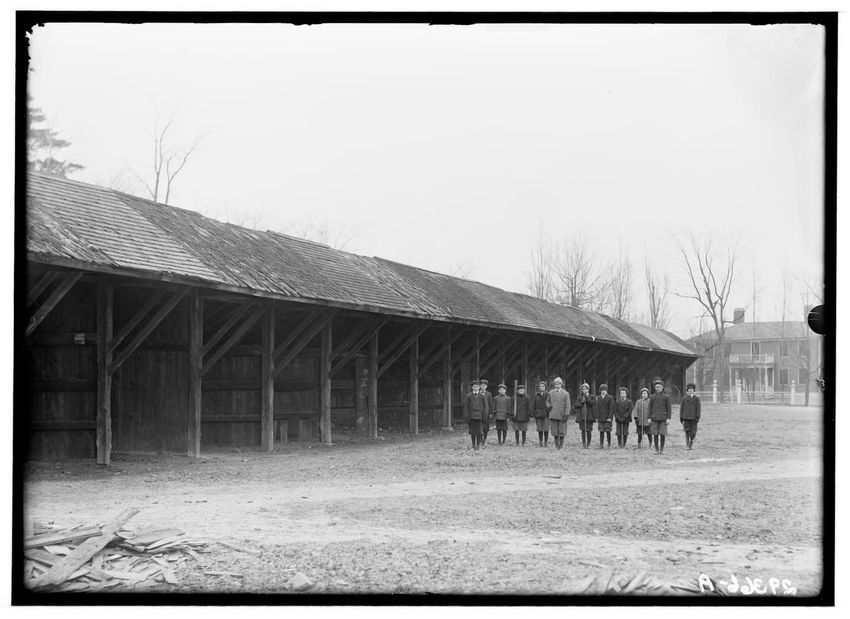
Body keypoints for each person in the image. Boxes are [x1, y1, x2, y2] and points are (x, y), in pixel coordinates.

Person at [546, 377, 571, 450]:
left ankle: (561, 445)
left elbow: (568, 405)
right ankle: (556, 445)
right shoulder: (551, 392)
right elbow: (547, 401)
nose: (557, 385)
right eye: (556, 384)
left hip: (562, 415)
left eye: (558, 384)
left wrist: (566, 414)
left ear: (561, 385)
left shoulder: (565, 393)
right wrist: (549, 406)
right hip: (553, 415)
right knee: (555, 431)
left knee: (562, 431)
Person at [649, 377, 672, 454]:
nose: (658, 388)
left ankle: (662, 449)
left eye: (659, 387)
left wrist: (668, 418)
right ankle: (656, 449)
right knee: (655, 434)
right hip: (654, 418)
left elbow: (669, 408)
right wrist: (649, 417)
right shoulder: (652, 397)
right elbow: (650, 408)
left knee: (662, 434)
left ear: (662, 388)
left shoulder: (666, 397)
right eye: (657, 387)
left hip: (663, 418)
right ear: (655, 388)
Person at [463, 380, 487, 452]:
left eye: (477, 386)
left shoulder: (482, 396)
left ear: (479, 387)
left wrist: (484, 415)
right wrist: (467, 416)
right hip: (472, 416)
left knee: (479, 432)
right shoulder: (468, 396)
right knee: (473, 432)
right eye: (474, 386)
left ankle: (478, 445)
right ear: (472, 387)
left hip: (480, 417)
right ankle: (473, 445)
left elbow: (485, 406)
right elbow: (466, 407)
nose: (476, 388)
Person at [574, 382, 596, 448]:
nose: (584, 390)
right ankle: (584, 443)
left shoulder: (592, 396)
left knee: (589, 430)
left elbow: (592, 403)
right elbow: (575, 405)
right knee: (583, 430)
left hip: (589, 417)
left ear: (588, 389)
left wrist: (587, 399)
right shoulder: (580, 397)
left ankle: (588, 443)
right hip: (582, 417)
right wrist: (581, 402)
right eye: (583, 389)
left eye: (586, 389)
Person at [680, 382, 701, 450]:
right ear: (687, 390)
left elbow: (698, 408)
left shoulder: (696, 399)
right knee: (687, 431)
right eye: (689, 390)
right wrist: (681, 417)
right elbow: (681, 408)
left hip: (694, 418)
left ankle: (691, 443)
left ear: (694, 390)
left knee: (693, 432)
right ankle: (687, 444)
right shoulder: (684, 399)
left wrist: (697, 416)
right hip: (686, 418)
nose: (690, 391)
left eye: (691, 390)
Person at [595, 384, 615, 449]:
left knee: (608, 431)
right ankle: (601, 444)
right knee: (601, 431)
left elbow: (612, 408)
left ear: (606, 390)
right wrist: (596, 417)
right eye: (602, 390)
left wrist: (610, 417)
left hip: (607, 418)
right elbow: (596, 408)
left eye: (604, 390)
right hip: (600, 417)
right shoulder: (598, 398)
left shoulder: (610, 398)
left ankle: (609, 444)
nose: (603, 391)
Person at [533, 381, 550, 447]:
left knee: (546, 429)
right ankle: (540, 441)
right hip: (538, 414)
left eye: (543, 386)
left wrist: (548, 412)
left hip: (546, 414)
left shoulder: (548, 395)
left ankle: (546, 442)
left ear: (545, 387)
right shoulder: (536, 395)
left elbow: (550, 404)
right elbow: (533, 405)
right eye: (540, 386)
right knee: (539, 429)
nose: (541, 387)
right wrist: (533, 414)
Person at [479, 379, 494, 447]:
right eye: (482, 385)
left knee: (485, 428)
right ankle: (479, 440)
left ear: (486, 386)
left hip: (486, 413)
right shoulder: (477, 393)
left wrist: (491, 413)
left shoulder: (489, 394)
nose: (483, 386)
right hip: (479, 413)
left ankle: (484, 439)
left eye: (484, 385)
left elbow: (491, 404)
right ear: (480, 386)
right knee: (479, 427)